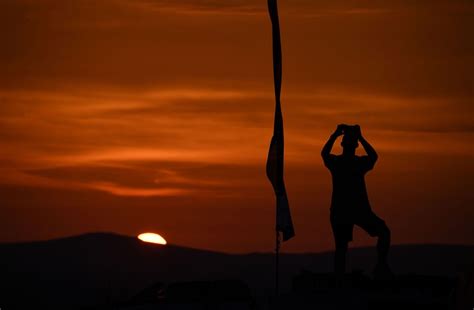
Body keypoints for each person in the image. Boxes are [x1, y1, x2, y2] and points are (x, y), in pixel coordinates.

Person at [321, 124, 392, 280]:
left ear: (343, 144)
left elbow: (324, 154)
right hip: (352, 210)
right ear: (356, 145)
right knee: (382, 233)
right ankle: (380, 266)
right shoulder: (355, 163)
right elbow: (373, 156)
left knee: (341, 247)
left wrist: (335, 134)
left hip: (348, 210)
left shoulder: (340, 163)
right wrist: (360, 137)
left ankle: (377, 267)